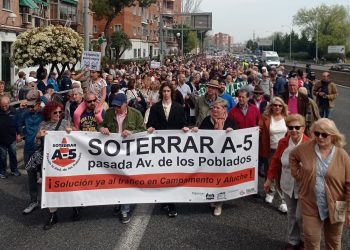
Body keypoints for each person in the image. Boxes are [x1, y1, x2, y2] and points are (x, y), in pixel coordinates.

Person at [289, 118, 350, 249]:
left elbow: (349, 185)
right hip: (310, 202)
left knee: (334, 241)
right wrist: (298, 175)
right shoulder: (306, 148)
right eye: (317, 134)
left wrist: (349, 211)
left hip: (338, 205)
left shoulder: (342, 155)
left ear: (332, 135)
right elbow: (292, 156)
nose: (320, 137)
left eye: (324, 134)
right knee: (311, 241)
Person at [264, 114, 309, 250]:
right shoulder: (283, 142)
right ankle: (293, 241)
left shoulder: (310, 143)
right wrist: (268, 179)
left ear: (303, 128)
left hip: (304, 187)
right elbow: (275, 161)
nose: (294, 130)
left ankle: (304, 240)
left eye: (297, 127)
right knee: (291, 215)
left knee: (301, 216)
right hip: (287, 183)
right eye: (290, 127)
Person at [100, 93, 145, 224]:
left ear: (126, 104)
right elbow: (101, 125)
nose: (116, 108)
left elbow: (143, 130)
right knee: (115, 178)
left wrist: (132, 132)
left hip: (129, 152)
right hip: (113, 152)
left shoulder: (136, 114)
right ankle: (118, 203)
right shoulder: (109, 113)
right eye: (115, 106)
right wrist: (102, 128)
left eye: (119, 106)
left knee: (126, 179)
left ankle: (125, 209)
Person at [147, 82, 188, 218]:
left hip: (174, 148)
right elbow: (150, 123)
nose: (165, 93)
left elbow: (183, 123)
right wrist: (150, 128)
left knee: (172, 175)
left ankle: (172, 205)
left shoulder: (178, 107)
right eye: (163, 91)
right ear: (161, 93)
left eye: (168, 91)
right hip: (159, 147)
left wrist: (185, 129)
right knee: (161, 174)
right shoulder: (155, 107)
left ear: (172, 92)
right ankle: (164, 199)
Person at [193, 99, 236, 216]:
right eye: (213, 108)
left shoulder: (230, 122)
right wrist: (195, 131)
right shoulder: (207, 120)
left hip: (223, 157)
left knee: (221, 178)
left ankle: (219, 204)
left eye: (217, 108)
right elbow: (200, 134)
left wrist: (232, 133)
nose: (214, 110)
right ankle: (213, 198)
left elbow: (237, 139)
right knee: (212, 177)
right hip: (210, 157)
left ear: (224, 109)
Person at [34, 102, 73, 230]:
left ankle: (76, 206)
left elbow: (76, 138)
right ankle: (53, 214)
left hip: (66, 160)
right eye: (55, 112)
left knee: (69, 184)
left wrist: (71, 132)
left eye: (59, 112)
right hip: (49, 161)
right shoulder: (43, 124)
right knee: (51, 185)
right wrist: (39, 136)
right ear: (48, 112)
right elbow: (36, 142)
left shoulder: (65, 123)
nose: (57, 114)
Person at [259, 97, 288, 212]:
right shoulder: (265, 117)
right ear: (271, 106)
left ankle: (284, 199)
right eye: (275, 105)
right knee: (269, 172)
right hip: (270, 150)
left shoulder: (287, 118)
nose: (277, 107)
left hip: (284, 151)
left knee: (283, 175)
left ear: (283, 107)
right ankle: (270, 192)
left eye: (280, 106)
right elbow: (259, 127)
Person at [17, 90, 44, 215]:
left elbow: (55, 108)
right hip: (29, 148)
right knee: (31, 176)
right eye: (28, 105)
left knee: (46, 175)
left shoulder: (44, 113)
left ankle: (49, 200)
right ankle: (34, 201)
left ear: (38, 104)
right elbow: (18, 124)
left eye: (32, 105)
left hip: (43, 149)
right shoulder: (25, 114)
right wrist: (19, 133)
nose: (30, 108)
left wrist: (43, 98)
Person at [0, 96, 21, 178]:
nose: (4, 107)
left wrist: (18, 134)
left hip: (12, 138)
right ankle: (2, 171)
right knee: (2, 156)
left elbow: (18, 124)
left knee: (13, 155)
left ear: (9, 103)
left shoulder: (14, 111)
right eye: (2, 106)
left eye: (6, 105)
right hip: (1, 139)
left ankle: (14, 170)